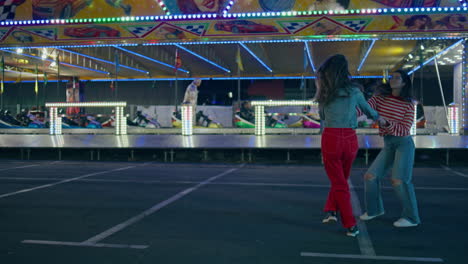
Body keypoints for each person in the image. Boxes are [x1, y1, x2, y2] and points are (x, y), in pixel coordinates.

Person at [315, 54, 380, 237]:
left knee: (340, 183)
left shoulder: (325, 92)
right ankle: (330, 209)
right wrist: (379, 118)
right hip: (350, 139)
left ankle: (350, 224)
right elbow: (368, 111)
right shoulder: (354, 91)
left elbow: (323, 117)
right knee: (341, 179)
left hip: (331, 138)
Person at [359, 70, 421, 228]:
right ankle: (375, 210)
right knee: (370, 177)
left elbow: (405, 129)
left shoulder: (409, 104)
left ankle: (412, 218)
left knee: (399, 180)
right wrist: (352, 105)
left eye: (397, 77)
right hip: (389, 143)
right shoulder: (379, 98)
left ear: (404, 82)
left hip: (403, 144)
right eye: (391, 77)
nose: (393, 79)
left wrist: (386, 122)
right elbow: (364, 109)